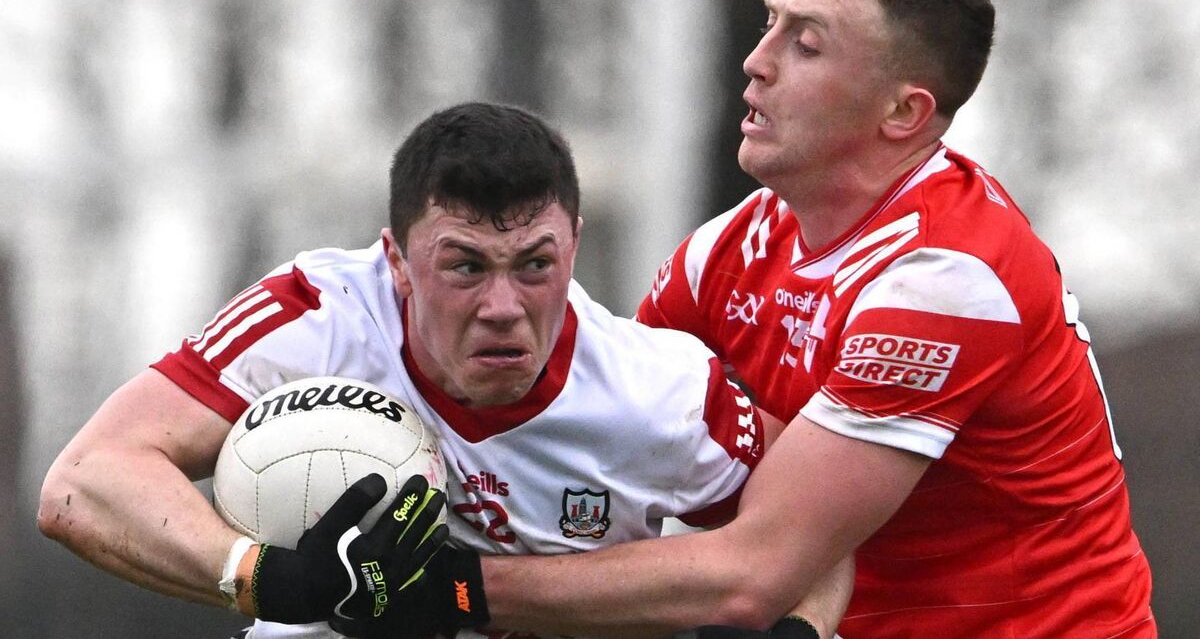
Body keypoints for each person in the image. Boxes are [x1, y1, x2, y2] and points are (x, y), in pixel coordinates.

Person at [379, 0, 1157, 637]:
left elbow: (755, 573)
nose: (757, 61)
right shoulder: (723, 255)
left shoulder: (947, 281)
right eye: (769, 24)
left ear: (904, 112)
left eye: (805, 43)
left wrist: (455, 586)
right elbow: (610, 455)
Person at [37, 102, 850, 639]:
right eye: (463, 266)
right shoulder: (315, 319)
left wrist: (797, 633)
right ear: (395, 260)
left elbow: (816, 538)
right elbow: (86, 481)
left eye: (535, 264)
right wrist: (261, 577)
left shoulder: (661, 393)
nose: (503, 304)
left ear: (574, 245)